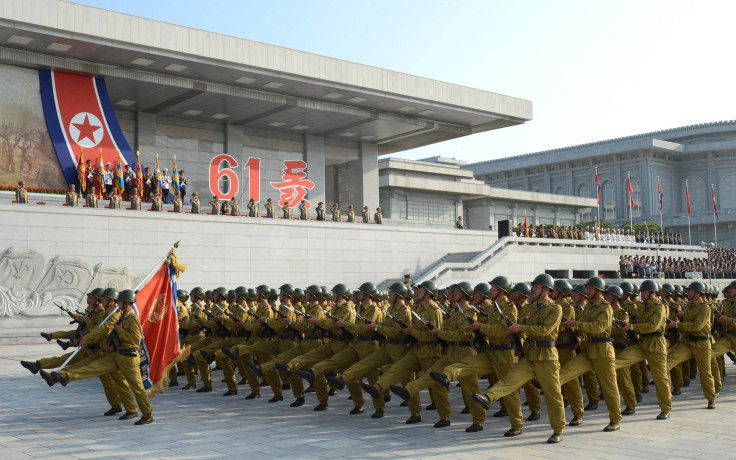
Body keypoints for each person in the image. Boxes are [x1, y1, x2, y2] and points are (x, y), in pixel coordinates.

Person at [472, 274, 566, 444]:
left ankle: (558, 430)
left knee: (553, 396)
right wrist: (519, 342)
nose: (534, 289)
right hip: (530, 355)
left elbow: (544, 330)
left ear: (546, 290)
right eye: (534, 286)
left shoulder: (555, 309)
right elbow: (521, 331)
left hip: (547, 357)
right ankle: (488, 397)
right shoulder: (530, 308)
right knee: (510, 380)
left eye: (537, 287)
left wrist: (520, 328)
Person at [48, 289, 154, 425]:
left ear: (127, 303)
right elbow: (109, 333)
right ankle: (66, 376)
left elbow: (136, 339)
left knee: (137, 388)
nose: (118, 303)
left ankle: (147, 415)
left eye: (120, 301)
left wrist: (120, 330)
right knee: (93, 367)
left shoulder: (132, 318)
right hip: (116, 354)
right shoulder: (123, 315)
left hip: (129, 358)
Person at [558, 276, 622, 432]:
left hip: (603, 351)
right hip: (588, 350)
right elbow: (584, 330)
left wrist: (575, 324)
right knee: (565, 373)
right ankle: (576, 413)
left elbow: (598, 327)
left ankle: (615, 419)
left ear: (598, 291)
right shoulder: (588, 307)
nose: (587, 290)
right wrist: (578, 337)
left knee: (609, 387)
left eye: (590, 288)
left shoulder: (606, 307)